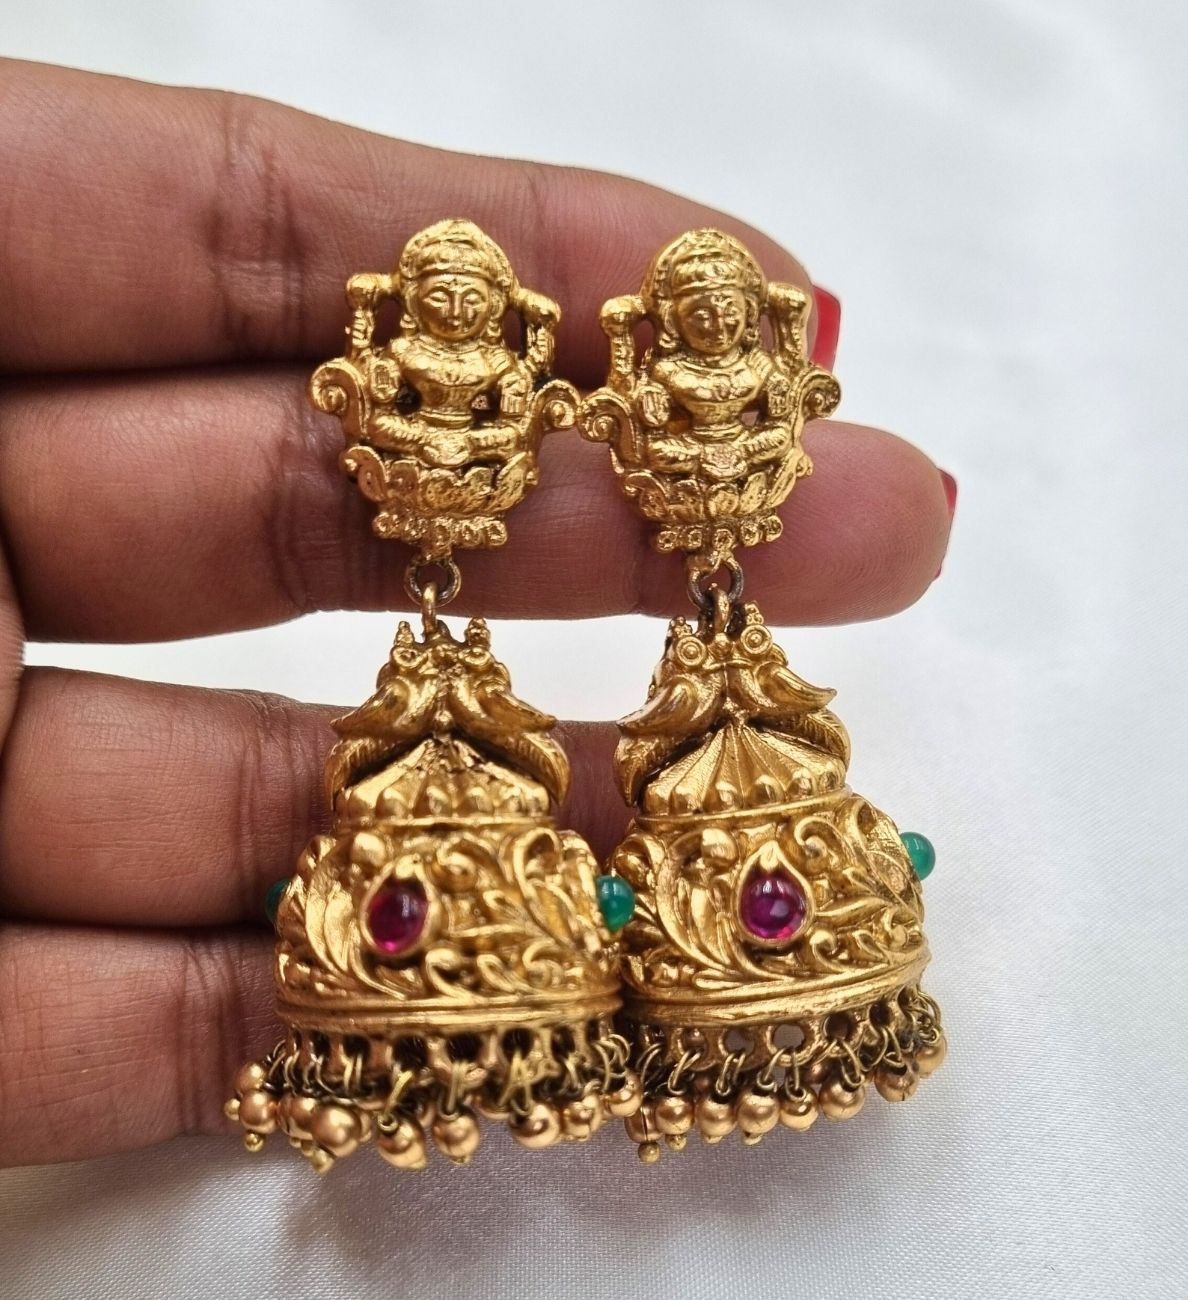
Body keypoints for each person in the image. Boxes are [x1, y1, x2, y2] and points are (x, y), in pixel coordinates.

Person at [0, 57, 955, 1167]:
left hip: (636, 486)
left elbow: (589, 395)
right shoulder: (410, 355)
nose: (453, 314)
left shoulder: (699, 378)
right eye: (440, 297)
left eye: (723, 313)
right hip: (437, 481)